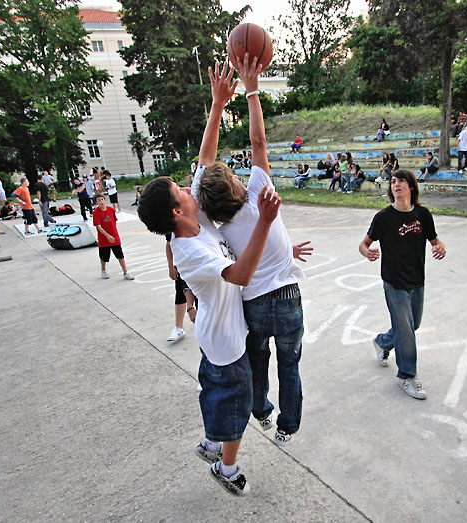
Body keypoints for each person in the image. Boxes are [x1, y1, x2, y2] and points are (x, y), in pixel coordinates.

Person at [137, 64, 284, 498]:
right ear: (177, 211)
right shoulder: (190, 251)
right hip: (225, 342)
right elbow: (240, 274)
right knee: (236, 403)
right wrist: (266, 222)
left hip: (217, 333)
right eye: (181, 190)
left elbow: (205, 158)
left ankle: (210, 444)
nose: (189, 187)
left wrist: (218, 103)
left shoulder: (193, 216)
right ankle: (226, 466)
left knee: (219, 395)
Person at [193, 57, 313, 449]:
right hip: (288, 297)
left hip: (254, 303)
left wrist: (217, 106)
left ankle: (261, 409)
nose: (236, 173)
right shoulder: (260, 193)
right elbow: (258, 142)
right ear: (234, 185)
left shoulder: (216, 223)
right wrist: (252, 90)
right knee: (290, 365)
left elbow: (204, 165)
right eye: (232, 174)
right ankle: (287, 426)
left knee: (258, 361)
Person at [359, 169, 446, 400]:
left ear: (411, 186)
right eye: (393, 182)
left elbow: (435, 240)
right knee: (406, 331)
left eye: (401, 181)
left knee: (412, 324)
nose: (396, 185)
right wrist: (367, 252)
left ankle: (382, 342)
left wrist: (440, 247)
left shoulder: (423, 214)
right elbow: (363, 244)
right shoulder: (383, 217)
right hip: (394, 282)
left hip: (417, 280)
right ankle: (407, 376)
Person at [93, 194, 134, 280]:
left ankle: (125, 272)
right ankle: (103, 270)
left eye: (102, 199)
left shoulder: (111, 210)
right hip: (104, 239)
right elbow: (98, 227)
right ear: (96, 202)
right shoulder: (96, 213)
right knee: (104, 257)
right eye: (99, 200)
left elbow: (114, 222)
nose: (101, 202)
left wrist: (114, 233)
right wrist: (107, 236)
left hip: (114, 238)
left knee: (120, 255)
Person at [165, 233, 187, 342]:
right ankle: (179, 327)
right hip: (181, 265)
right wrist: (171, 266)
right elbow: (169, 244)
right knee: (180, 293)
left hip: (198, 264)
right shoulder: (172, 226)